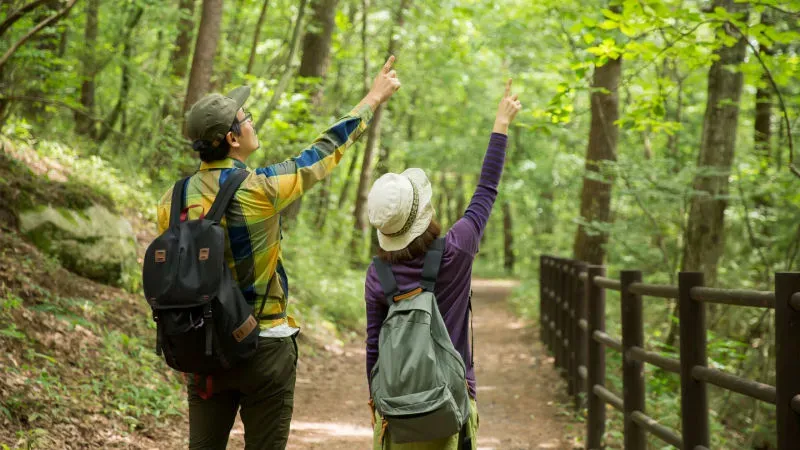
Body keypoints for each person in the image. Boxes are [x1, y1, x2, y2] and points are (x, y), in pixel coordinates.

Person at [155, 56, 401, 449]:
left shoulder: (171, 200)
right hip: (263, 346)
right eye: (246, 116)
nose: (252, 121)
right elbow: (321, 153)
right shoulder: (261, 190)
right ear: (232, 139)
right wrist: (371, 99)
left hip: (201, 350)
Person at [364, 79, 522, 449]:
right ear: (424, 212)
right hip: (453, 406)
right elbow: (486, 191)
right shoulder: (456, 251)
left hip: (398, 413)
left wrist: (375, 401)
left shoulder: (378, 275)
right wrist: (501, 124)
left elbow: (374, 346)